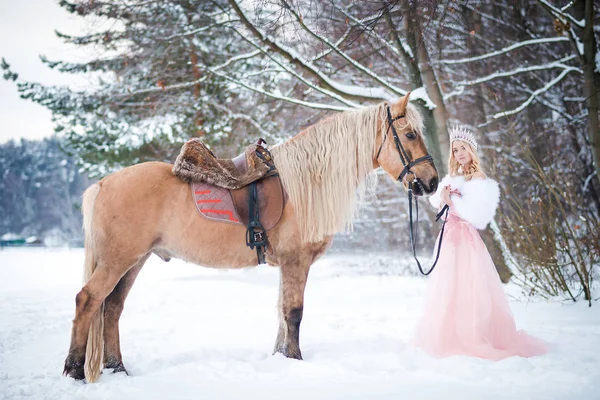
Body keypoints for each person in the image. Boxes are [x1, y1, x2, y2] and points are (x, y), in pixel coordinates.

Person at [410, 125, 548, 360]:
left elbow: (477, 214)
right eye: (455, 150)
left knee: (470, 286)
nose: (459, 153)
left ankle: (473, 334)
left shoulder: (478, 177)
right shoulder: (453, 177)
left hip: (466, 238)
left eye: (463, 148)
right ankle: (446, 334)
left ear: (472, 150)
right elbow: (441, 206)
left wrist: (452, 200)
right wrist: (444, 197)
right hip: (449, 238)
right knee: (447, 286)